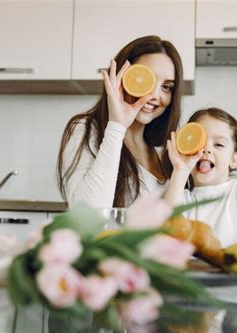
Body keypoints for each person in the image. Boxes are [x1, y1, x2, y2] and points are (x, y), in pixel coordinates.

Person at [57, 35, 184, 208]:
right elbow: (88, 214)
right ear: (120, 77)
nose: (155, 96)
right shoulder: (85, 130)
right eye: (146, 79)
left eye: (166, 87)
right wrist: (117, 126)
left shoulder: (162, 153)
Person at [164, 107, 237, 249]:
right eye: (198, 143)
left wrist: (224, 258)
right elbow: (166, 239)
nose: (206, 149)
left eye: (219, 144)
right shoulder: (180, 198)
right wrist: (180, 171)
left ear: (233, 159)